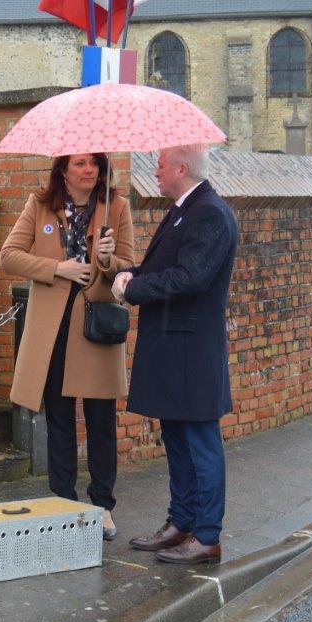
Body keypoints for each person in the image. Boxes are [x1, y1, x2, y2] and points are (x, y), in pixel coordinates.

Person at [112, 143, 238, 565]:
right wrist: (126, 272)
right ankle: (180, 523)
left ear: (182, 167)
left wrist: (134, 289)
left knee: (201, 442)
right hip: (173, 348)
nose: (156, 170)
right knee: (178, 441)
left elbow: (190, 278)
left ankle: (206, 535)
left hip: (192, 351)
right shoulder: (184, 208)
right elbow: (164, 265)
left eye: (161, 163)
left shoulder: (210, 212)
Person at [0, 153, 135, 540]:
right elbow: (10, 256)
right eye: (79, 163)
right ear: (63, 169)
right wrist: (59, 268)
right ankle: (63, 501)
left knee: (100, 419)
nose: (88, 170)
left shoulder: (117, 207)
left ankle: (102, 505)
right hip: (53, 325)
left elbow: (129, 266)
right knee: (59, 418)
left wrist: (108, 261)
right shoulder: (39, 205)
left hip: (94, 322)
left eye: (94, 163)